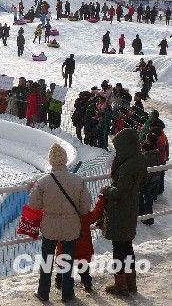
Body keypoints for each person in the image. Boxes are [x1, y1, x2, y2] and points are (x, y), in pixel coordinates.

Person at [29, 143, 91, 302]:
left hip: (50, 227)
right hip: (71, 228)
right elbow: (85, 207)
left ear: (51, 161)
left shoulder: (43, 182)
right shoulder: (78, 180)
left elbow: (34, 205)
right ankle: (67, 294)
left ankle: (43, 292)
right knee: (67, 262)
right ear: (65, 160)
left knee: (47, 261)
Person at [101, 129, 146, 295]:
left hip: (120, 212)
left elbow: (120, 192)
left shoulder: (127, 166)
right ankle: (131, 283)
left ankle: (120, 284)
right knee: (127, 247)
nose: (117, 151)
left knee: (119, 248)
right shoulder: (139, 159)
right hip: (131, 209)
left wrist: (106, 190)